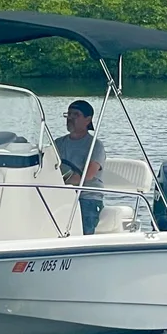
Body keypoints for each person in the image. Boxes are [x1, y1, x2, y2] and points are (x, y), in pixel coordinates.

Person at [54, 100, 106, 235]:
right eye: (68, 114)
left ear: (88, 119)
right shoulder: (58, 143)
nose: (70, 118)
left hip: (87, 197)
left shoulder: (95, 145)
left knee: (82, 230)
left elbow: (87, 175)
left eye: (75, 115)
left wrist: (60, 185)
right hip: (61, 195)